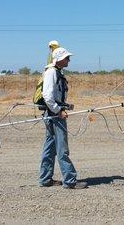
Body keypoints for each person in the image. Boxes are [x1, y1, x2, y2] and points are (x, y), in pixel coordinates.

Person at [38, 47, 87, 189]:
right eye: (67, 58)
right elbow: (47, 96)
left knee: (50, 147)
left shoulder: (55, 72)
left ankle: (45, 179)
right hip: (54, 115)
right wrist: (59, 111)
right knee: (61, 148)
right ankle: (70, 180)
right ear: (59, 59)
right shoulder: (52, 72)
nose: (69, 60)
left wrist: (63, 106)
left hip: (51, 113)